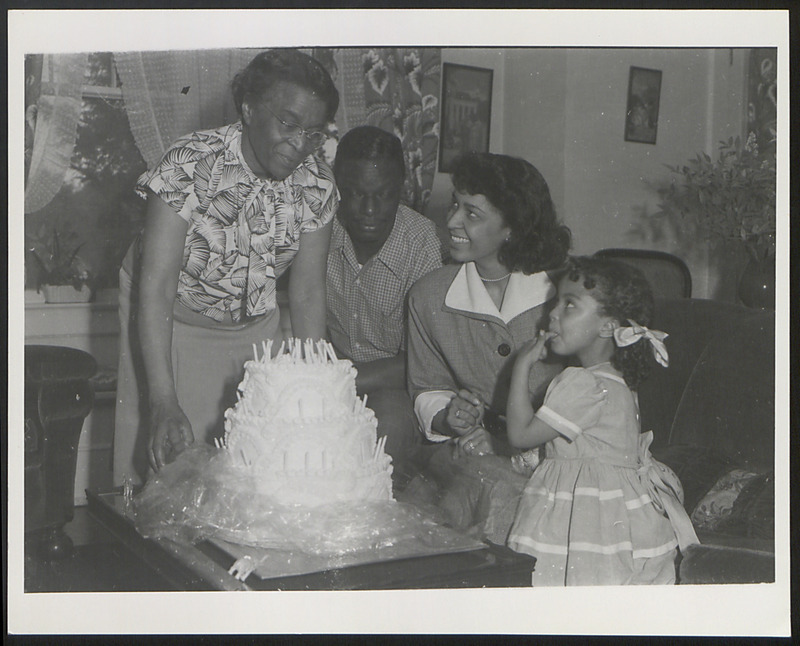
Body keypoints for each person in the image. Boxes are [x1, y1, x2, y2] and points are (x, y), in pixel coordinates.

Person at [113, 49, 339, 484]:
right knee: (165, 466)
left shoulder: (317, 184)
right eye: (288, 124)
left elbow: (308, 292)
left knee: (248, 472)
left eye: (314, 133)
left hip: (252, 329)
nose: (299, 144)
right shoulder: (190, 162)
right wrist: (163, 400)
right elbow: (157, 286)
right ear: (249, 109)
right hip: (170, 320)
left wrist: (318, 390)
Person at [404, 152, 570, 541]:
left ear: (512, 227)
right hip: (474, 452)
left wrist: (505, 447)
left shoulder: (564, 295)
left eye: (472, 214)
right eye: (454, 205)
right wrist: (449, 416)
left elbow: (589, 397)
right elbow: (428, 385)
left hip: (557, 454)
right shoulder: (428, 296)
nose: (451, 221)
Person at [505, 256, 698, 586]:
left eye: (569, 304)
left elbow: (520, 434)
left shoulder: (582, 382)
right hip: (618, 513)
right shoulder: (616, 380)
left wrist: (521, 366)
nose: (552, 314)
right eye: (556, 302)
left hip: (589, 517)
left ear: (609, 326)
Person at [327, 125, 444, 466]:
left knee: (383, 428)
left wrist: (341, 380)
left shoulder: (422, 244)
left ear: (402, 189)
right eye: (355, 194)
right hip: (331, 377)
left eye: (384, 195)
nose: (369, 209)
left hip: (396, 389)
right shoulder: (320, 227)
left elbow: (422, 362)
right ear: (337, 187)